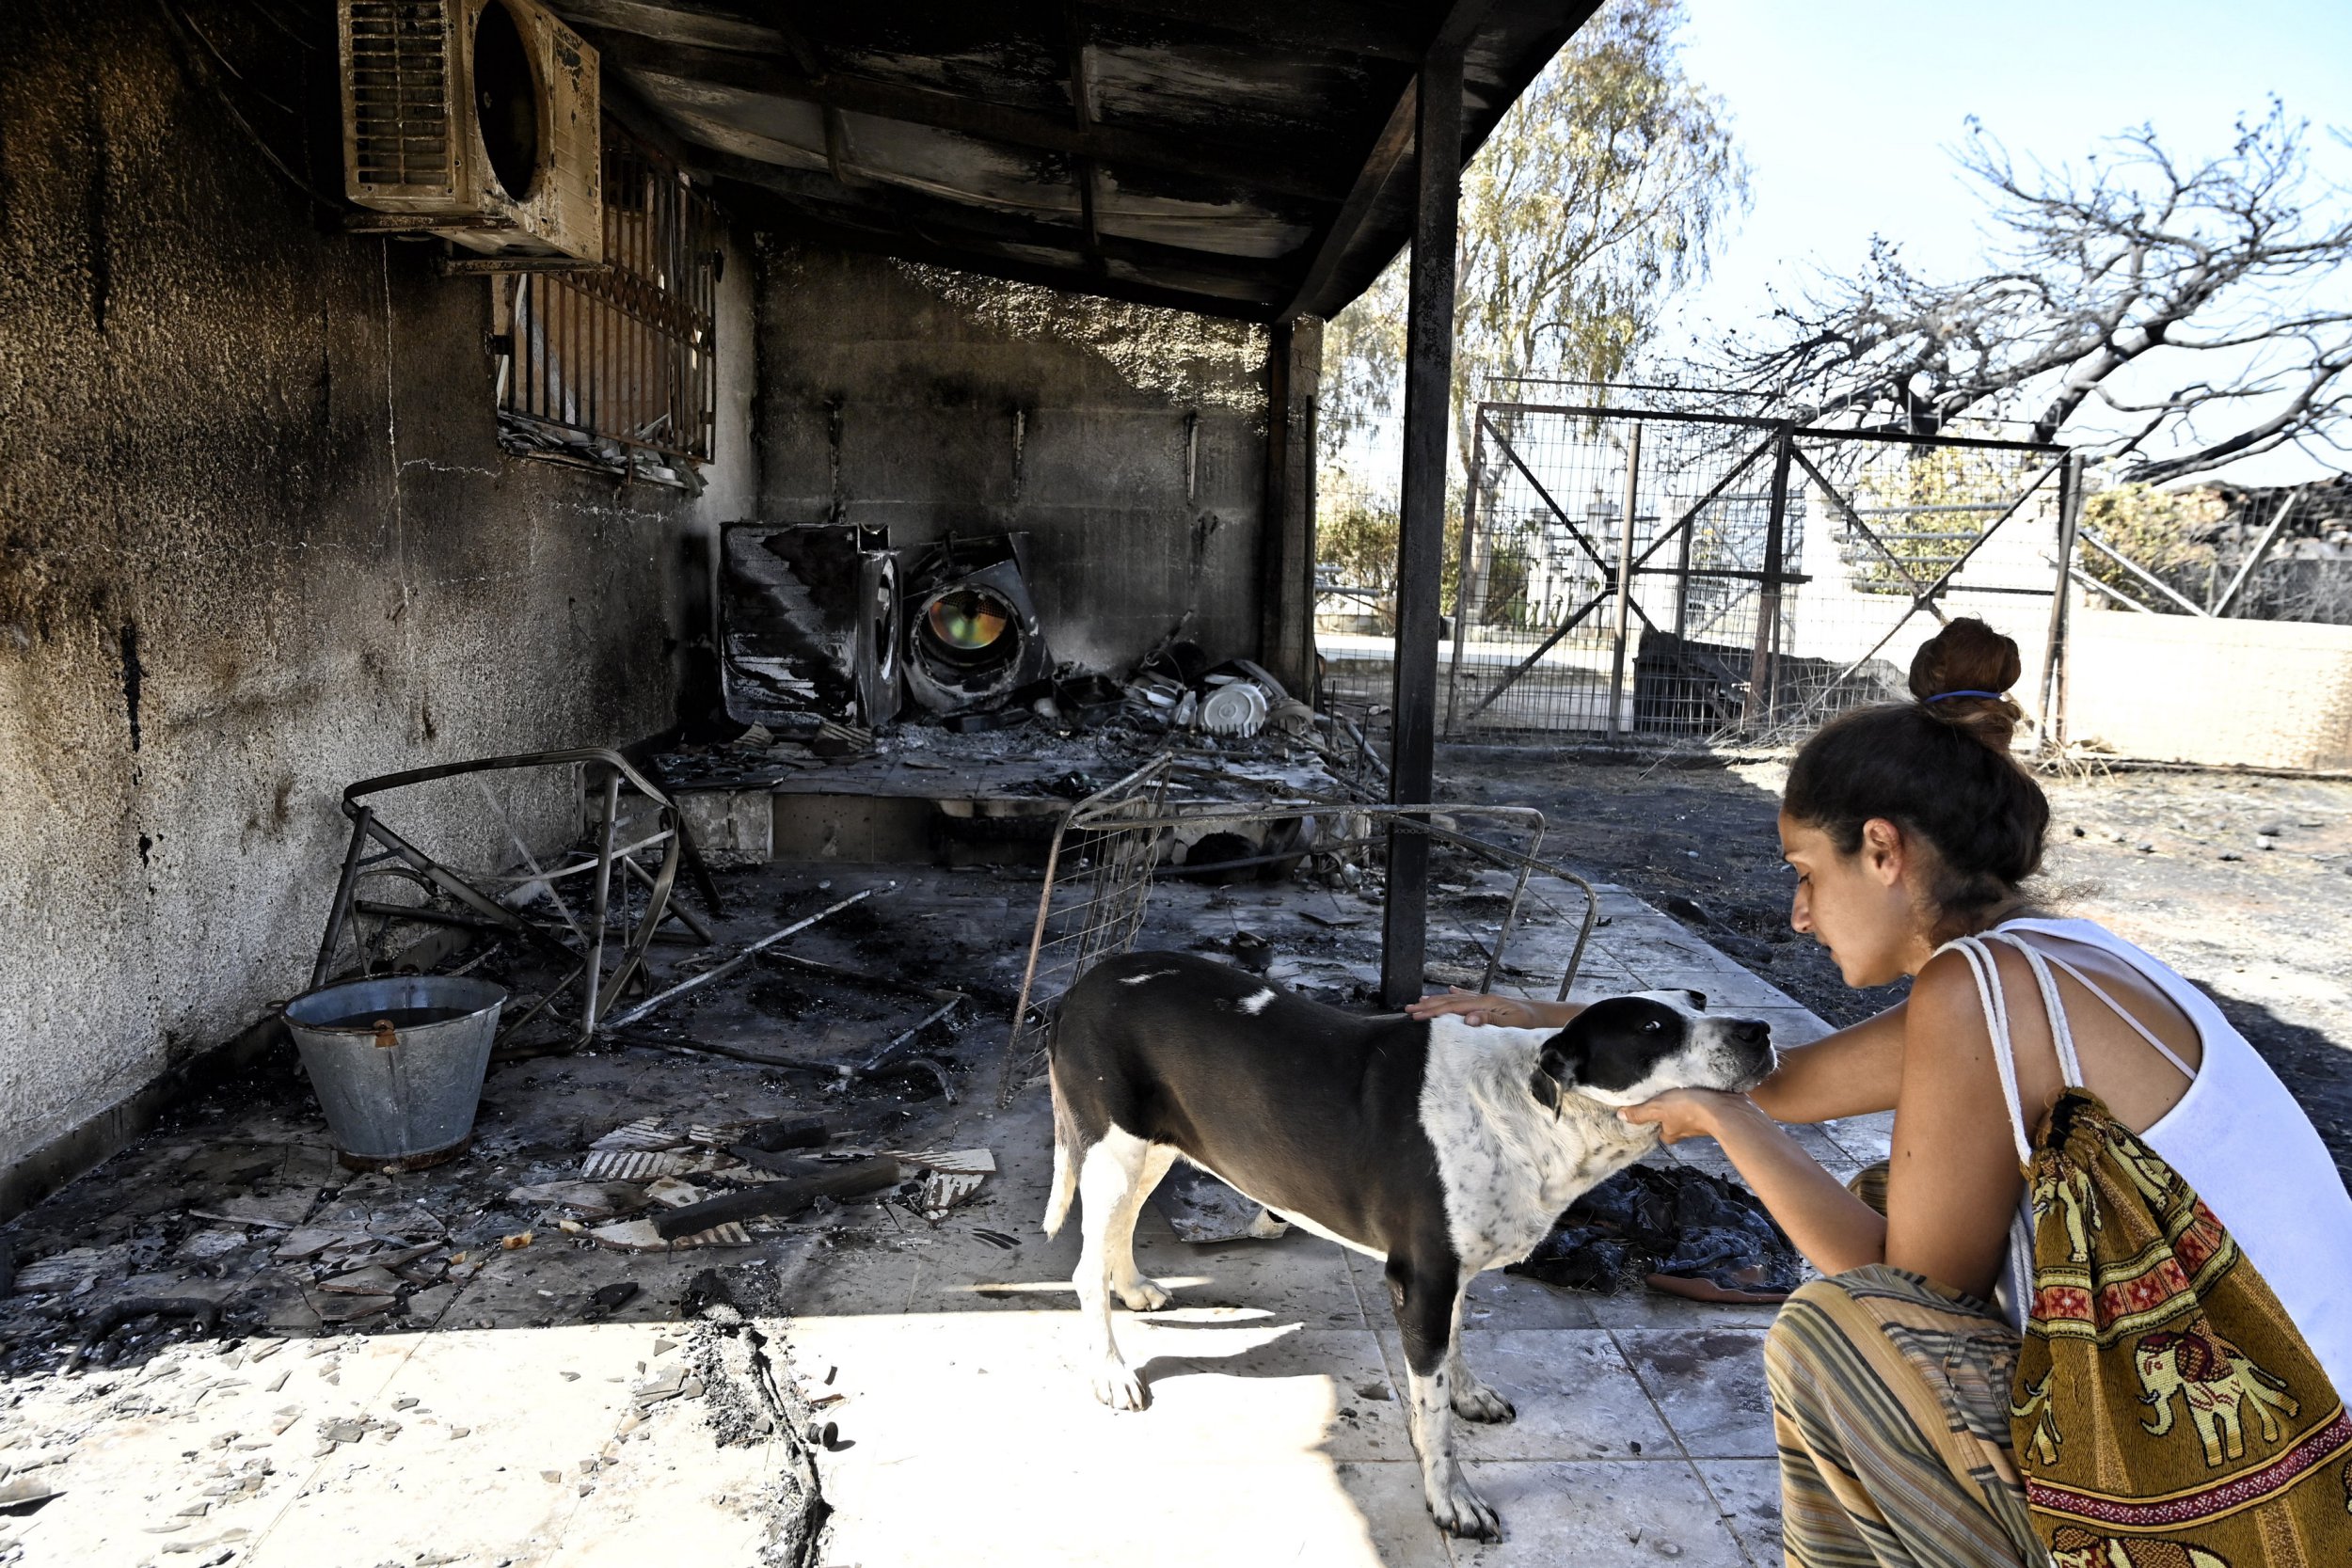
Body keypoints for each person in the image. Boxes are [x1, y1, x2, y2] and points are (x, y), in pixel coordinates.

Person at [1407, 617, 2352, 1568]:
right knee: (1889, 1187)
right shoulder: (2060, 957)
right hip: (2303, 1434)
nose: (1798, 912)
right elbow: (1781, 1078)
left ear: (1882, 849)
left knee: (1835, 1335)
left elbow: (1899, 1303)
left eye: (1806, 872)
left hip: (2268, 1499)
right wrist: (1540, 1015)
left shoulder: (1972, 990)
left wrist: (1718, 1119)